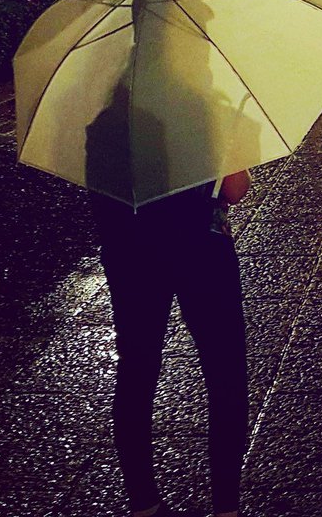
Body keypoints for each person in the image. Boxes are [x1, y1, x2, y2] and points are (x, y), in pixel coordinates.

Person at [89, 170, 251, 517]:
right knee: (226, 374)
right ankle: (226, 508)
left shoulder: (105, 123)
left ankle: (144, 503)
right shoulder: (209, 115)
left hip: (130, 251)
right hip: (203, 249)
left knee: (136, 369)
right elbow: (236, 189)